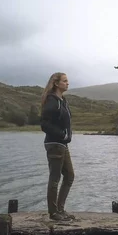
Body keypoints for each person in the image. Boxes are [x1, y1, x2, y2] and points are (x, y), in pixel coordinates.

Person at [40, 72, 75, 221]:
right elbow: (44, 124)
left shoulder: (62, 100)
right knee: (55, 178)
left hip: (62, 144)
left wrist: (66, 136)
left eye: (67, 81)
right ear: (56, 83)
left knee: (69, 175)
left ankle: (60, 209)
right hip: (55, 144)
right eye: (65, 81)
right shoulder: (52, 101)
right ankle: (54, 213)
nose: (68, 83)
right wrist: (61, 135)